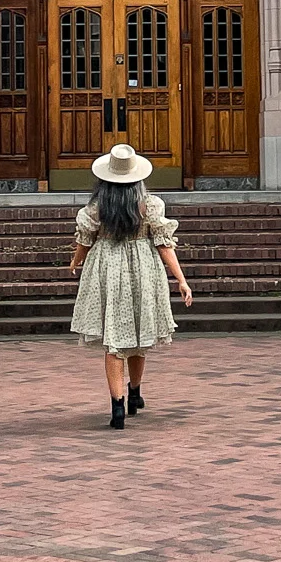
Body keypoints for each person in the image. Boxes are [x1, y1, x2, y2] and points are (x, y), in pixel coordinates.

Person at [68, 142, 192, 430]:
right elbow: (163, 244)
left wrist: (75, 262)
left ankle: (118, 407)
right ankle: (134, 391)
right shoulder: (150, 205)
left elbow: (85, 242)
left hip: (106, 268)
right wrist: (181, 280)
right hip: (143, 268)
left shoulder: (96, 208)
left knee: (113, 337)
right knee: (138, 336)